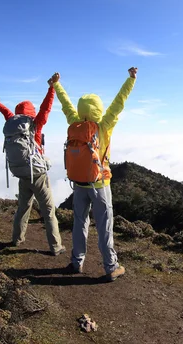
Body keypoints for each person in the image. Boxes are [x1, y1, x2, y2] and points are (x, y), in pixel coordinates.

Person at [51, 67, 137, 281]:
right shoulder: (104, 126)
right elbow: (119, 103)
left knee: (79, 223)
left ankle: (76, 262)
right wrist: (131, 80)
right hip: (99, 184)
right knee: (104, 226)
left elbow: (66, 105)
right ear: (98, 109)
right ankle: (111, 266)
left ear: (81, 110)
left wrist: (56, 85)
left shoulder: (74, 123)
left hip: (79, 184)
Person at [0, 75, 65, 256]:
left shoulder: (12, 123)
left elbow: (6, 113)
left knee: (23, 208)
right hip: (38, 175)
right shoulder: (35, 125)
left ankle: (17, 239)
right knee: (49, 211)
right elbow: (46, 108)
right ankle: (56, 247)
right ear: (31, 113)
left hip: (22, 173)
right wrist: (52, 88)